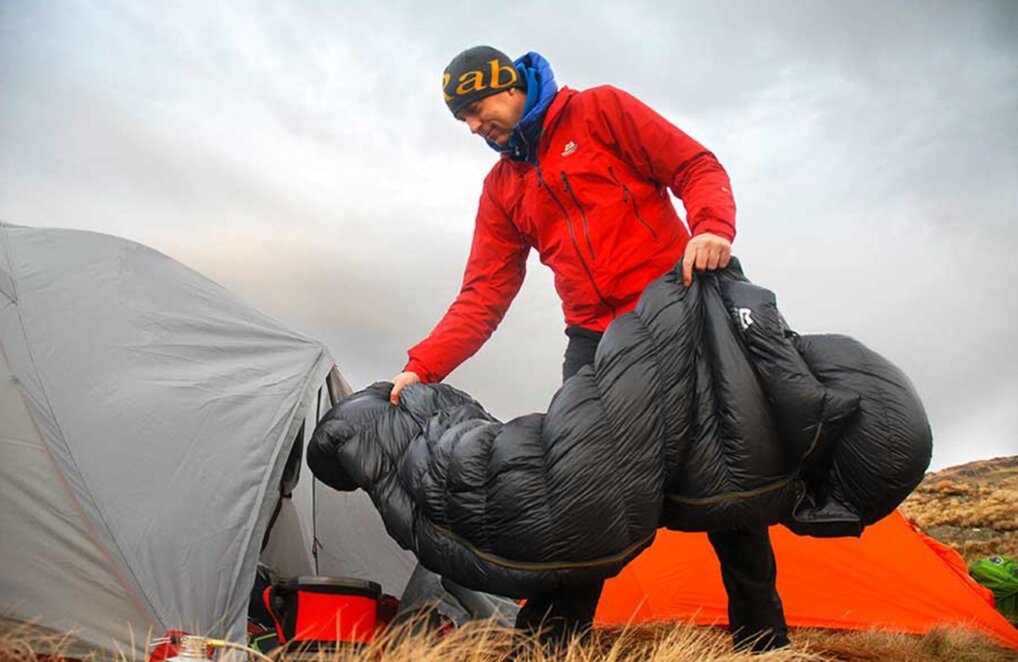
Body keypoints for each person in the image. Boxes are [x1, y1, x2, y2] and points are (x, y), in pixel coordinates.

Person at [389, 46, 789, 653]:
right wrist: (423, 366)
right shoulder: (503, 187)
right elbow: (484, 292)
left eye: (476, 108)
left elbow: (695, 165)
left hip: (675, 313)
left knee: (726, 483)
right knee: (578, 492)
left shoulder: (600, 112)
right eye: (461, 119)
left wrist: (711, 227)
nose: (473, 127)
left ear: (512, 84)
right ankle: (544, 647)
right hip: (594, 343)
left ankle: (765, 643)